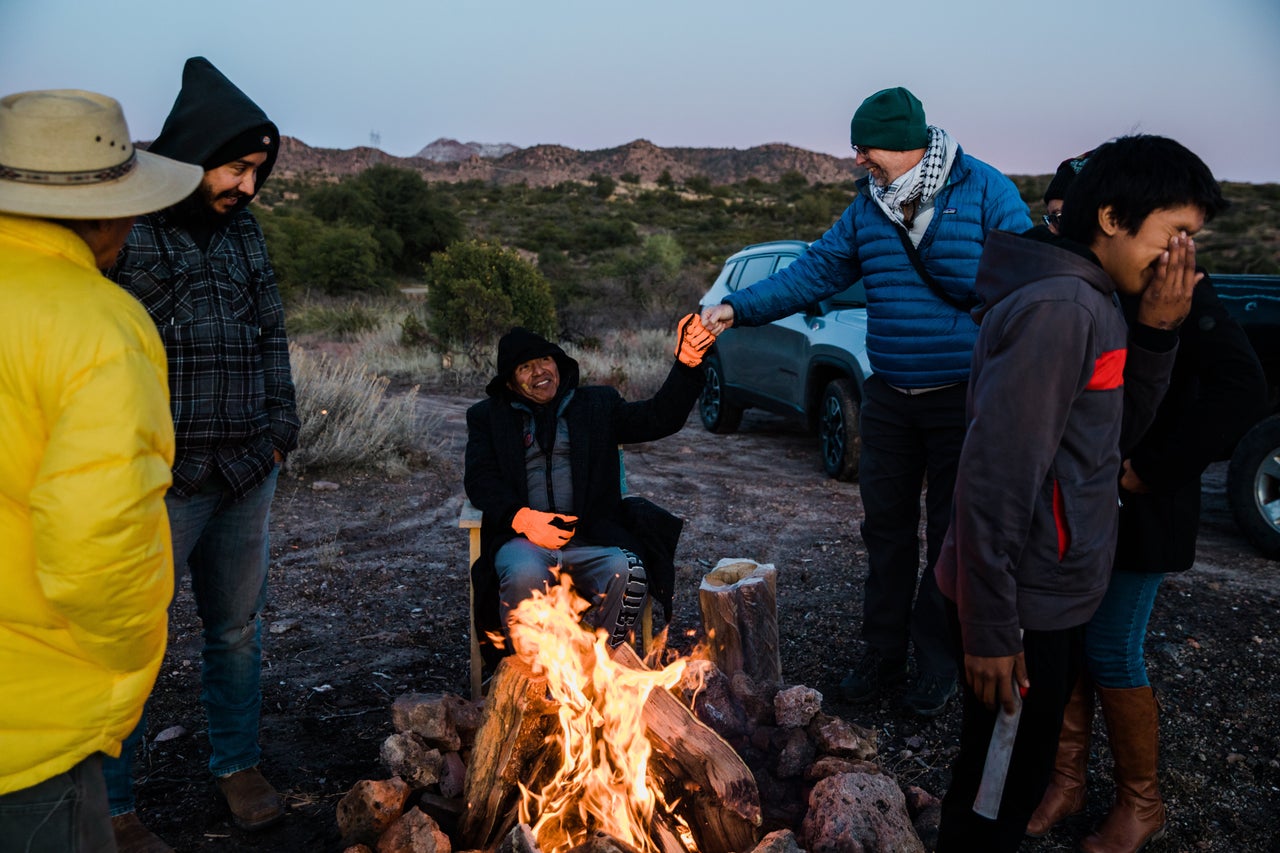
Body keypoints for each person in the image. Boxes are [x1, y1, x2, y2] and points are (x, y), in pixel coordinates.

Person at [931, 134, 1230, 851]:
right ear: (1111, 217)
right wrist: (993, 628)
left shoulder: (1096, 302)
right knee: (992, 795)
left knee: (1016, 774)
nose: (1181, 257)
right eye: (1175, 234)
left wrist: (1157, 335)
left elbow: (1111, 434)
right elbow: (994, 478)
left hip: (1047, 595)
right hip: (1021, 607)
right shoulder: (1063, 309)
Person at [700, 86, 1032, 716]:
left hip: (963, 400)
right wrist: (734, 307)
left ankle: (937, 666)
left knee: (952, 539)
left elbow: (1027, 284)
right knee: (884, 533)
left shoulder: (986, 191)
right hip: (889, 400)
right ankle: (881, 654)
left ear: (905, 143)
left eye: (865, 149)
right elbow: (815, 271)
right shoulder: (866, 210)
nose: (858, 161)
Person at [1026, 154, 1267, 852]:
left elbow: (1243, 392)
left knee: (1111, 646)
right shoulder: (1074, 282)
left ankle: (1142, 802)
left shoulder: (1180, 287)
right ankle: (1066, 782)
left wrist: (1146, 470)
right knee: (1068, 639)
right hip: (1077, 502)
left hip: (1144, 504)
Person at [103, 57, 300, 848]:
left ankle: (236, 764)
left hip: (246, 470)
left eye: (257, 172)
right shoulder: (129, 227)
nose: (248, 187)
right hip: (162, 479)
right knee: (134, 637)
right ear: (193, 152)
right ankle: (113, 804)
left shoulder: (244, 230)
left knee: (235, 629)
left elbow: (272, 330)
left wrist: (280, 431)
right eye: (238, 167)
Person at [0, 89, 201, 851]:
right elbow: (98, 545)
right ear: (101, 212)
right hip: (31, 723)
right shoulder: (98, 326)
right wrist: (126, 661)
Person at [465, 318, 713, 654]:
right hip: (525, 540)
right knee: (523, 577)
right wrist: (523, 519)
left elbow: (658, 418)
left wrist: (688, 364)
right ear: (510, 382)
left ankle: (604, 667)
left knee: (629, 573)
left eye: (544, 360)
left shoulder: (597, 406)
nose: (539, 372)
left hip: (592, 536)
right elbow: (479, 478)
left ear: (559, 364)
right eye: (525, 367)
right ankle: (533, 682)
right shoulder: (487, 418)